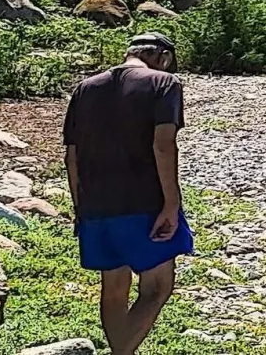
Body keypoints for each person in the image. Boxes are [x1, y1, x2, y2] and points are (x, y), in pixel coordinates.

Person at [64, 32, 192, 355]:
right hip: (144, 203)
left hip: (96, 204)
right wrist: (171, 204)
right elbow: (163, 145)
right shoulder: (164, 84)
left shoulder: (85, 89)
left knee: (114, 290)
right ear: (162, 57)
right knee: (157, 287)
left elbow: (71, 156)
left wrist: (81, 207)